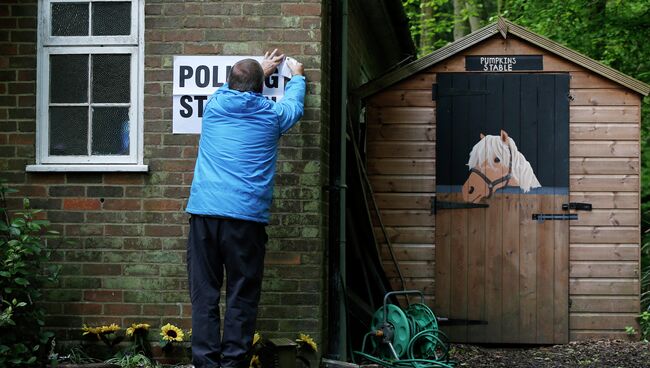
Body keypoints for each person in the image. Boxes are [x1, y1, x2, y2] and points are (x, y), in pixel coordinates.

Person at [185, 50, 305, 368]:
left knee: (204, 294)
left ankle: (205, 364)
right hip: (245, 220)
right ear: (261, 87)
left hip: (205, 216)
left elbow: (231, 89)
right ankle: (234, 363)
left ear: (230, 83)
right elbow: (294, 107)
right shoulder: (272, 116)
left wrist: (257, 71)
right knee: (242, 294)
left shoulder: (214, 106)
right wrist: (298, 77)